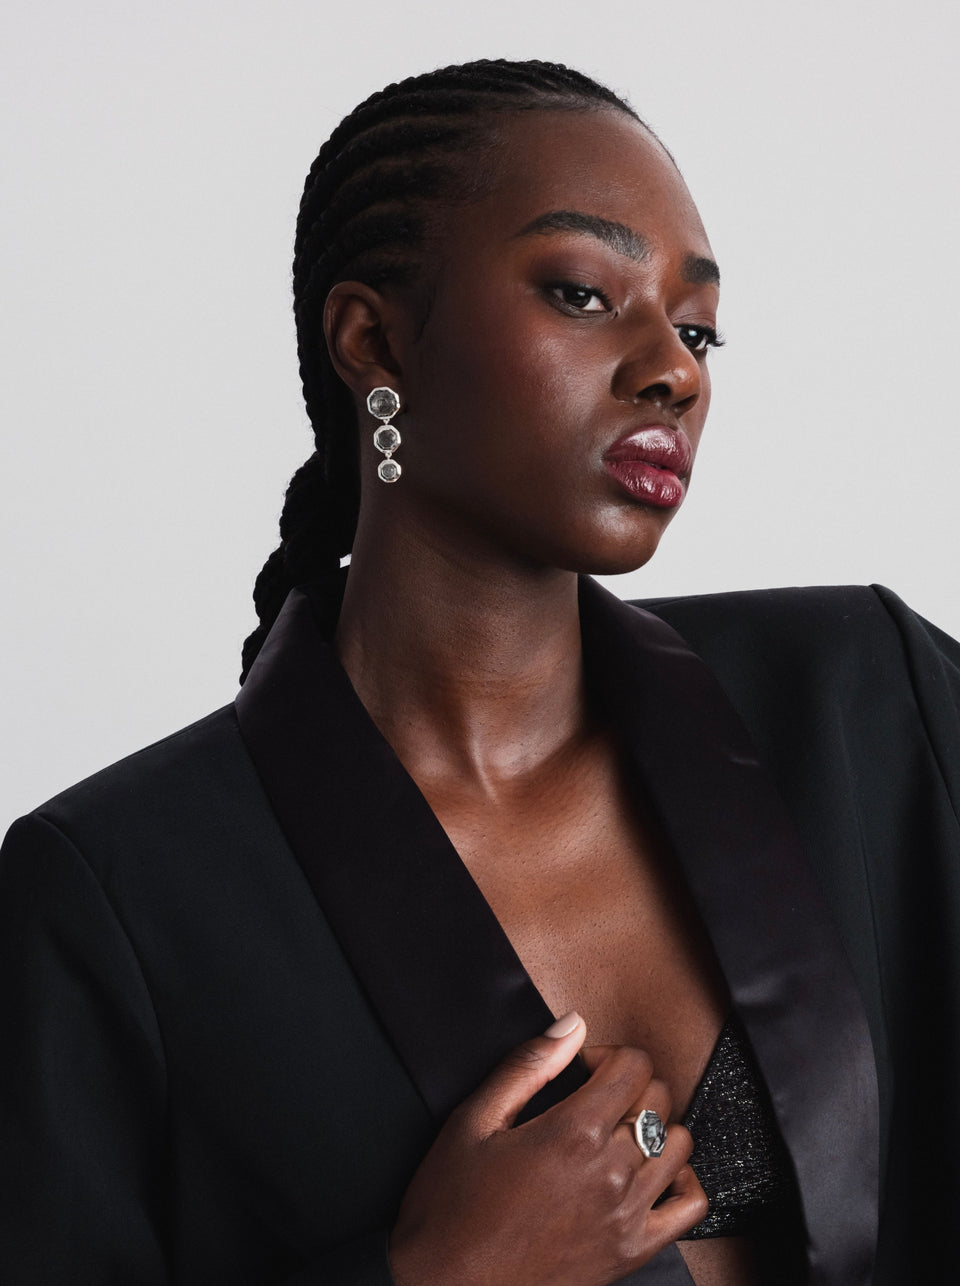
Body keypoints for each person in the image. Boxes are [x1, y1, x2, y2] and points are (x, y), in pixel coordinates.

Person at [1, 58, 958, 1286]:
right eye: (582, 292)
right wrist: (434, 1274)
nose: (676, 366)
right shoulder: (119, 899)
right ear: (373, 337)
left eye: (697, 322)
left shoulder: (868, 699)